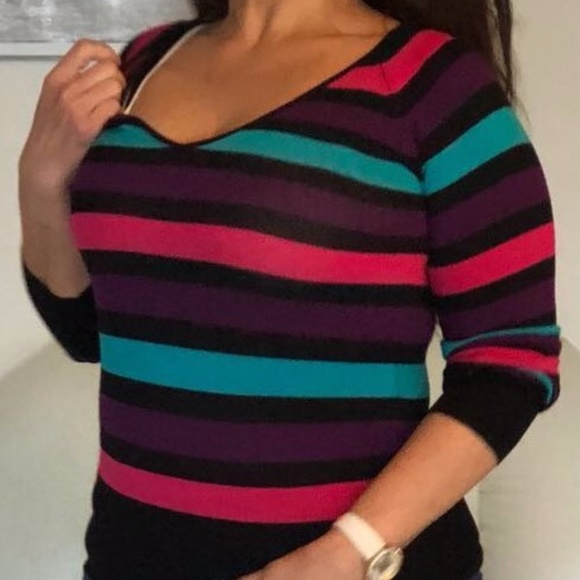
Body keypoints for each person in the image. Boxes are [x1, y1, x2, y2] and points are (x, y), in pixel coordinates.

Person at [17, 0, 561, 579]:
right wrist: (40, 180)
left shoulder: (431, 83)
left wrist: (346, 552)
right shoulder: (145, 63)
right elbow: (89, 331)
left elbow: (509, 360)